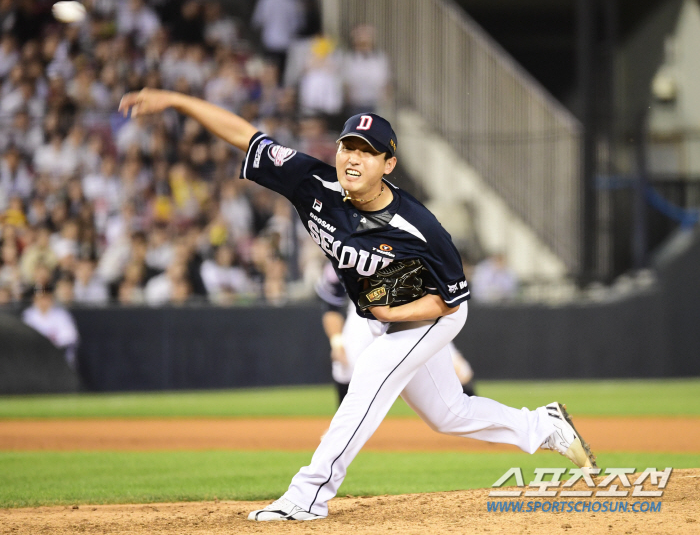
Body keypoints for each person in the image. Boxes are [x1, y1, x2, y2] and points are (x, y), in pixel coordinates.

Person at [118, 89, 597, 521]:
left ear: (389, 164)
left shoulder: (420, 228)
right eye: (349, 146)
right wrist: (177, 101)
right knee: (448, 414)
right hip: (390, 311)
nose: (354, 157)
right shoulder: (312, 183)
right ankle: (545, 426)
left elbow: (453, 300)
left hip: (432, 313)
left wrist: (393, 315)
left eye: (368, 152)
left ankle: (307, 497)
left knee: (369, 375)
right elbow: (245, 136)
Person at [316, 261, 476, 405]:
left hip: (411, 310)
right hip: (364, 314)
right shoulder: (344, 254)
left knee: (459, 370)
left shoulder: (413, 243)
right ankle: (342, 432)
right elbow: (331, 307)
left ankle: (483, 423)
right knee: (344, 365)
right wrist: (337, 343)